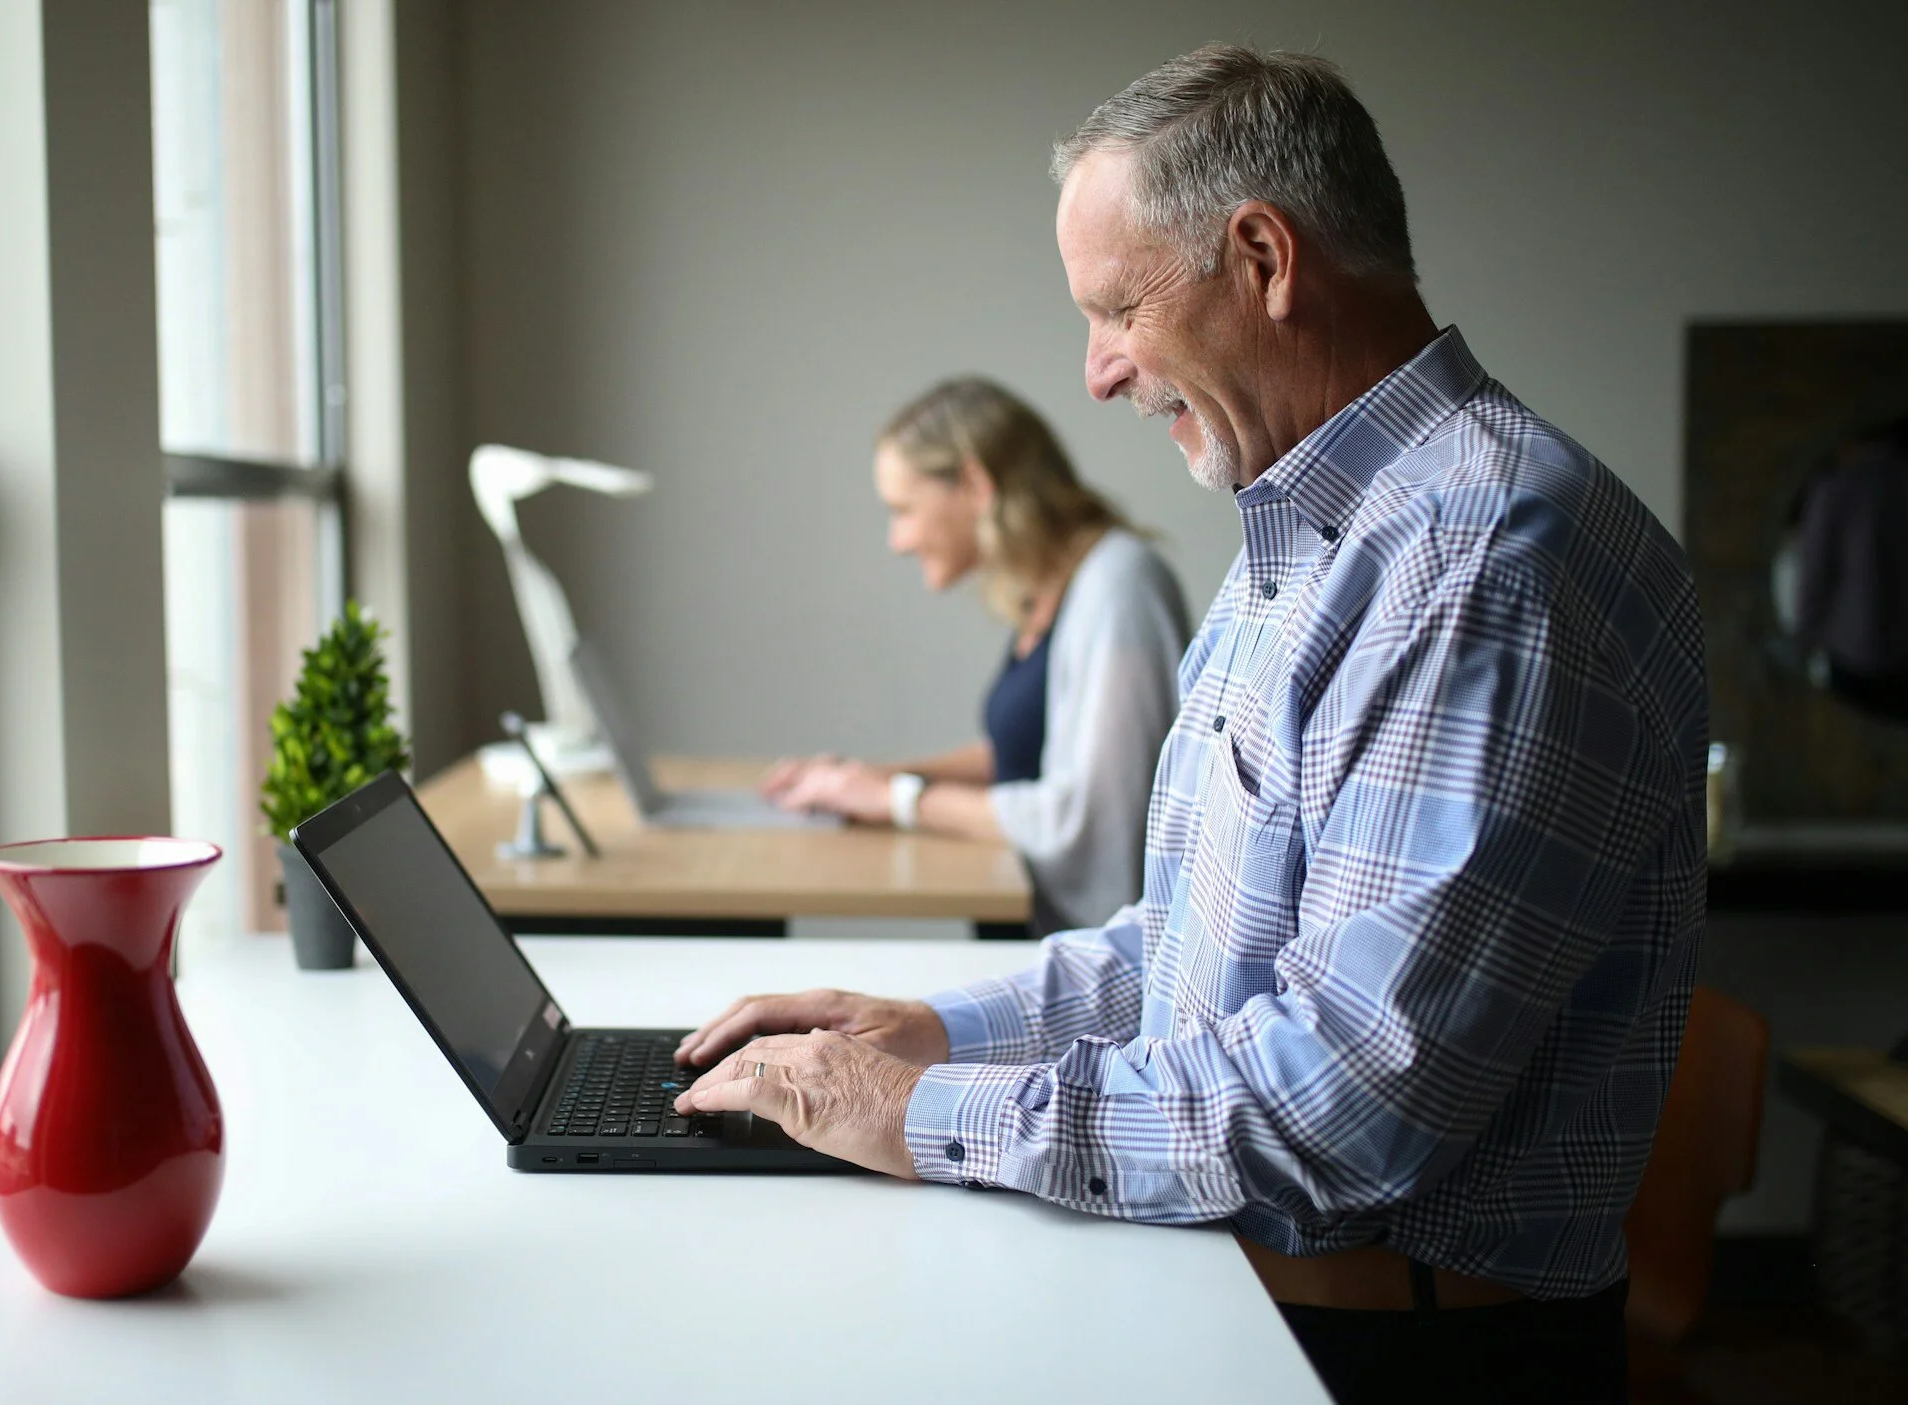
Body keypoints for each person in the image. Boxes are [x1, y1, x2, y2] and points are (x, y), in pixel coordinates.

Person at [673, 44, 1705, 1405]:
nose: (1097, 374)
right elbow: (1193, 950)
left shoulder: (1479, 562)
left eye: (1117, 309)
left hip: (1396, 1355)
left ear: (1266, 259)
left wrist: (914, 1116)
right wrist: (927, 1031)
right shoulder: (1322, 534)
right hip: (1271, 1303)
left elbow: (1337, 1107)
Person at [762, 377, 1189, 935]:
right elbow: (1023, 755)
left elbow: (1087, 815)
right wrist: (863, 780)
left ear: (973, 484)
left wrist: (895, 799)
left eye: (904, 509)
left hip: (1081, 960)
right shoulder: (1050, 587)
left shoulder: (1119, 585)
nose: (898, 539)